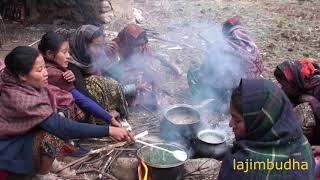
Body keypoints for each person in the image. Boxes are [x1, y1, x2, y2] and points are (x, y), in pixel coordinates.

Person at [0, 46, 133, 179]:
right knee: (49, 136)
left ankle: (49, 163)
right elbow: (62, 127)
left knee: (59, 117)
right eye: (39, 70)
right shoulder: (19, 98)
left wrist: (107, 118)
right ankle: (42, 175)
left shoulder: (19, 82)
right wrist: (109, 130)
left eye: (44, 67)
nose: (46, 73)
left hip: (22, 135)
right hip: (7, 148)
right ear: (22, 75)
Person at [218, 79, 314, 180]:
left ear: (260, 121)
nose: (230, 124)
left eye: (237, 120)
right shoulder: (303, 145)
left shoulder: (241, 165)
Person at [38, 31, 121, 127]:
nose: (68, 56)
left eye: (68, 52)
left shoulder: (53, 66)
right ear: (49, 54)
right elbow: (81, 99)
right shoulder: (54, 73)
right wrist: (108, 117)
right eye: (64, 52)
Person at [187, 17, 263, 112]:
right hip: (250, 89)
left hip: (230, 90)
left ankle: (215, 103)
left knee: (194, 71)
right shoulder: (251, 46)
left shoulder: (220, 47)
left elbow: (206, 71)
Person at [68, 25, 129, 124]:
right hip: (83, 102)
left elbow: (114, 73)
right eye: (97, 46)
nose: (100, 50)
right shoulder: (71, 62)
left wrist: (115, 56)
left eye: (102, 45)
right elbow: (82, 92)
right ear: (83, 44)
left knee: (109, 81)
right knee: (93, 81)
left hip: (94, 101)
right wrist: (105, 112)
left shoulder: (95, 53)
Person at [110, 23, 161, 109]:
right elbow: (113, 71)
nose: (141, 48)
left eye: (142, 44)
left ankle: (145, 95)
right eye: (137, 45)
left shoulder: (142, 45)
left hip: (138, 72)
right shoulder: (115, 47)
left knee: (152, 73)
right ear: (129, 41)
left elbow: (148, 60)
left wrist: (148, 70)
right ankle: (134, 97)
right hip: (121, 78)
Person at [274, 59, 320, 145]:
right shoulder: (295, 85)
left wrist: (312, 101)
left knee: (307, 109)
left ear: (294, 83)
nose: (283, 88)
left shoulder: (317, 87)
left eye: (284, 85)